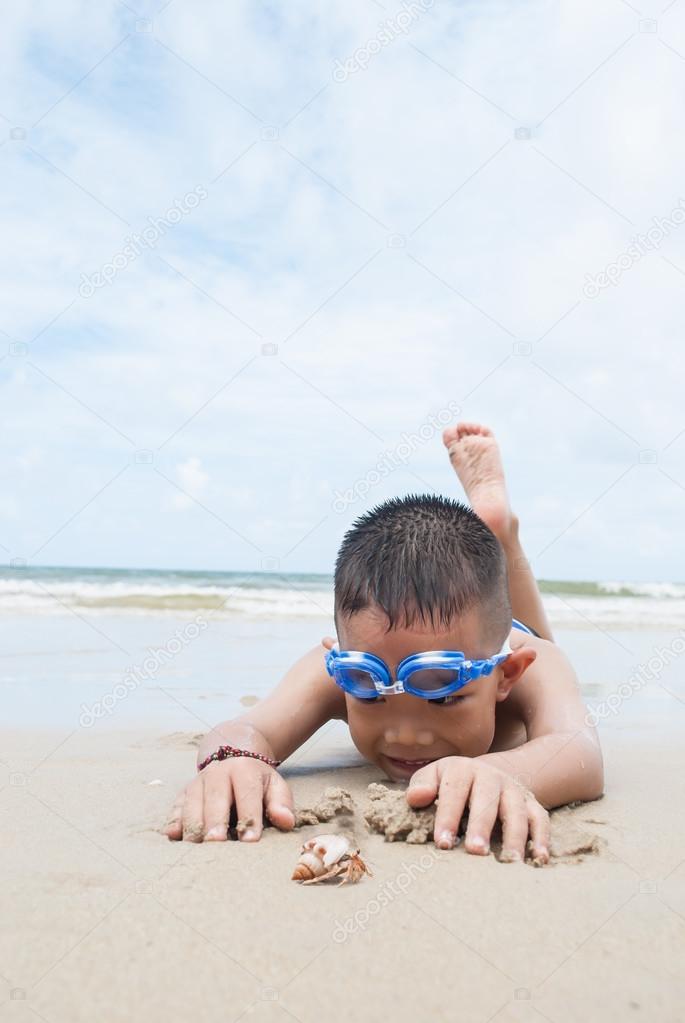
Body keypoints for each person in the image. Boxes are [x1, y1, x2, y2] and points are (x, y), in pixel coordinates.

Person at [164, 422, 603, 863]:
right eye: (372, 695)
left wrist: (496, 770)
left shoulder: (532, 667)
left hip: (518, 640)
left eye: (443, 694)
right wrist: (234, 761)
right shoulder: (348, 667)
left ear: (506, 674)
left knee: (538, 635)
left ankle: (499, 531)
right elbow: (247, 728)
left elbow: (578, 751)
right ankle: (491, 531)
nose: (405, 735)